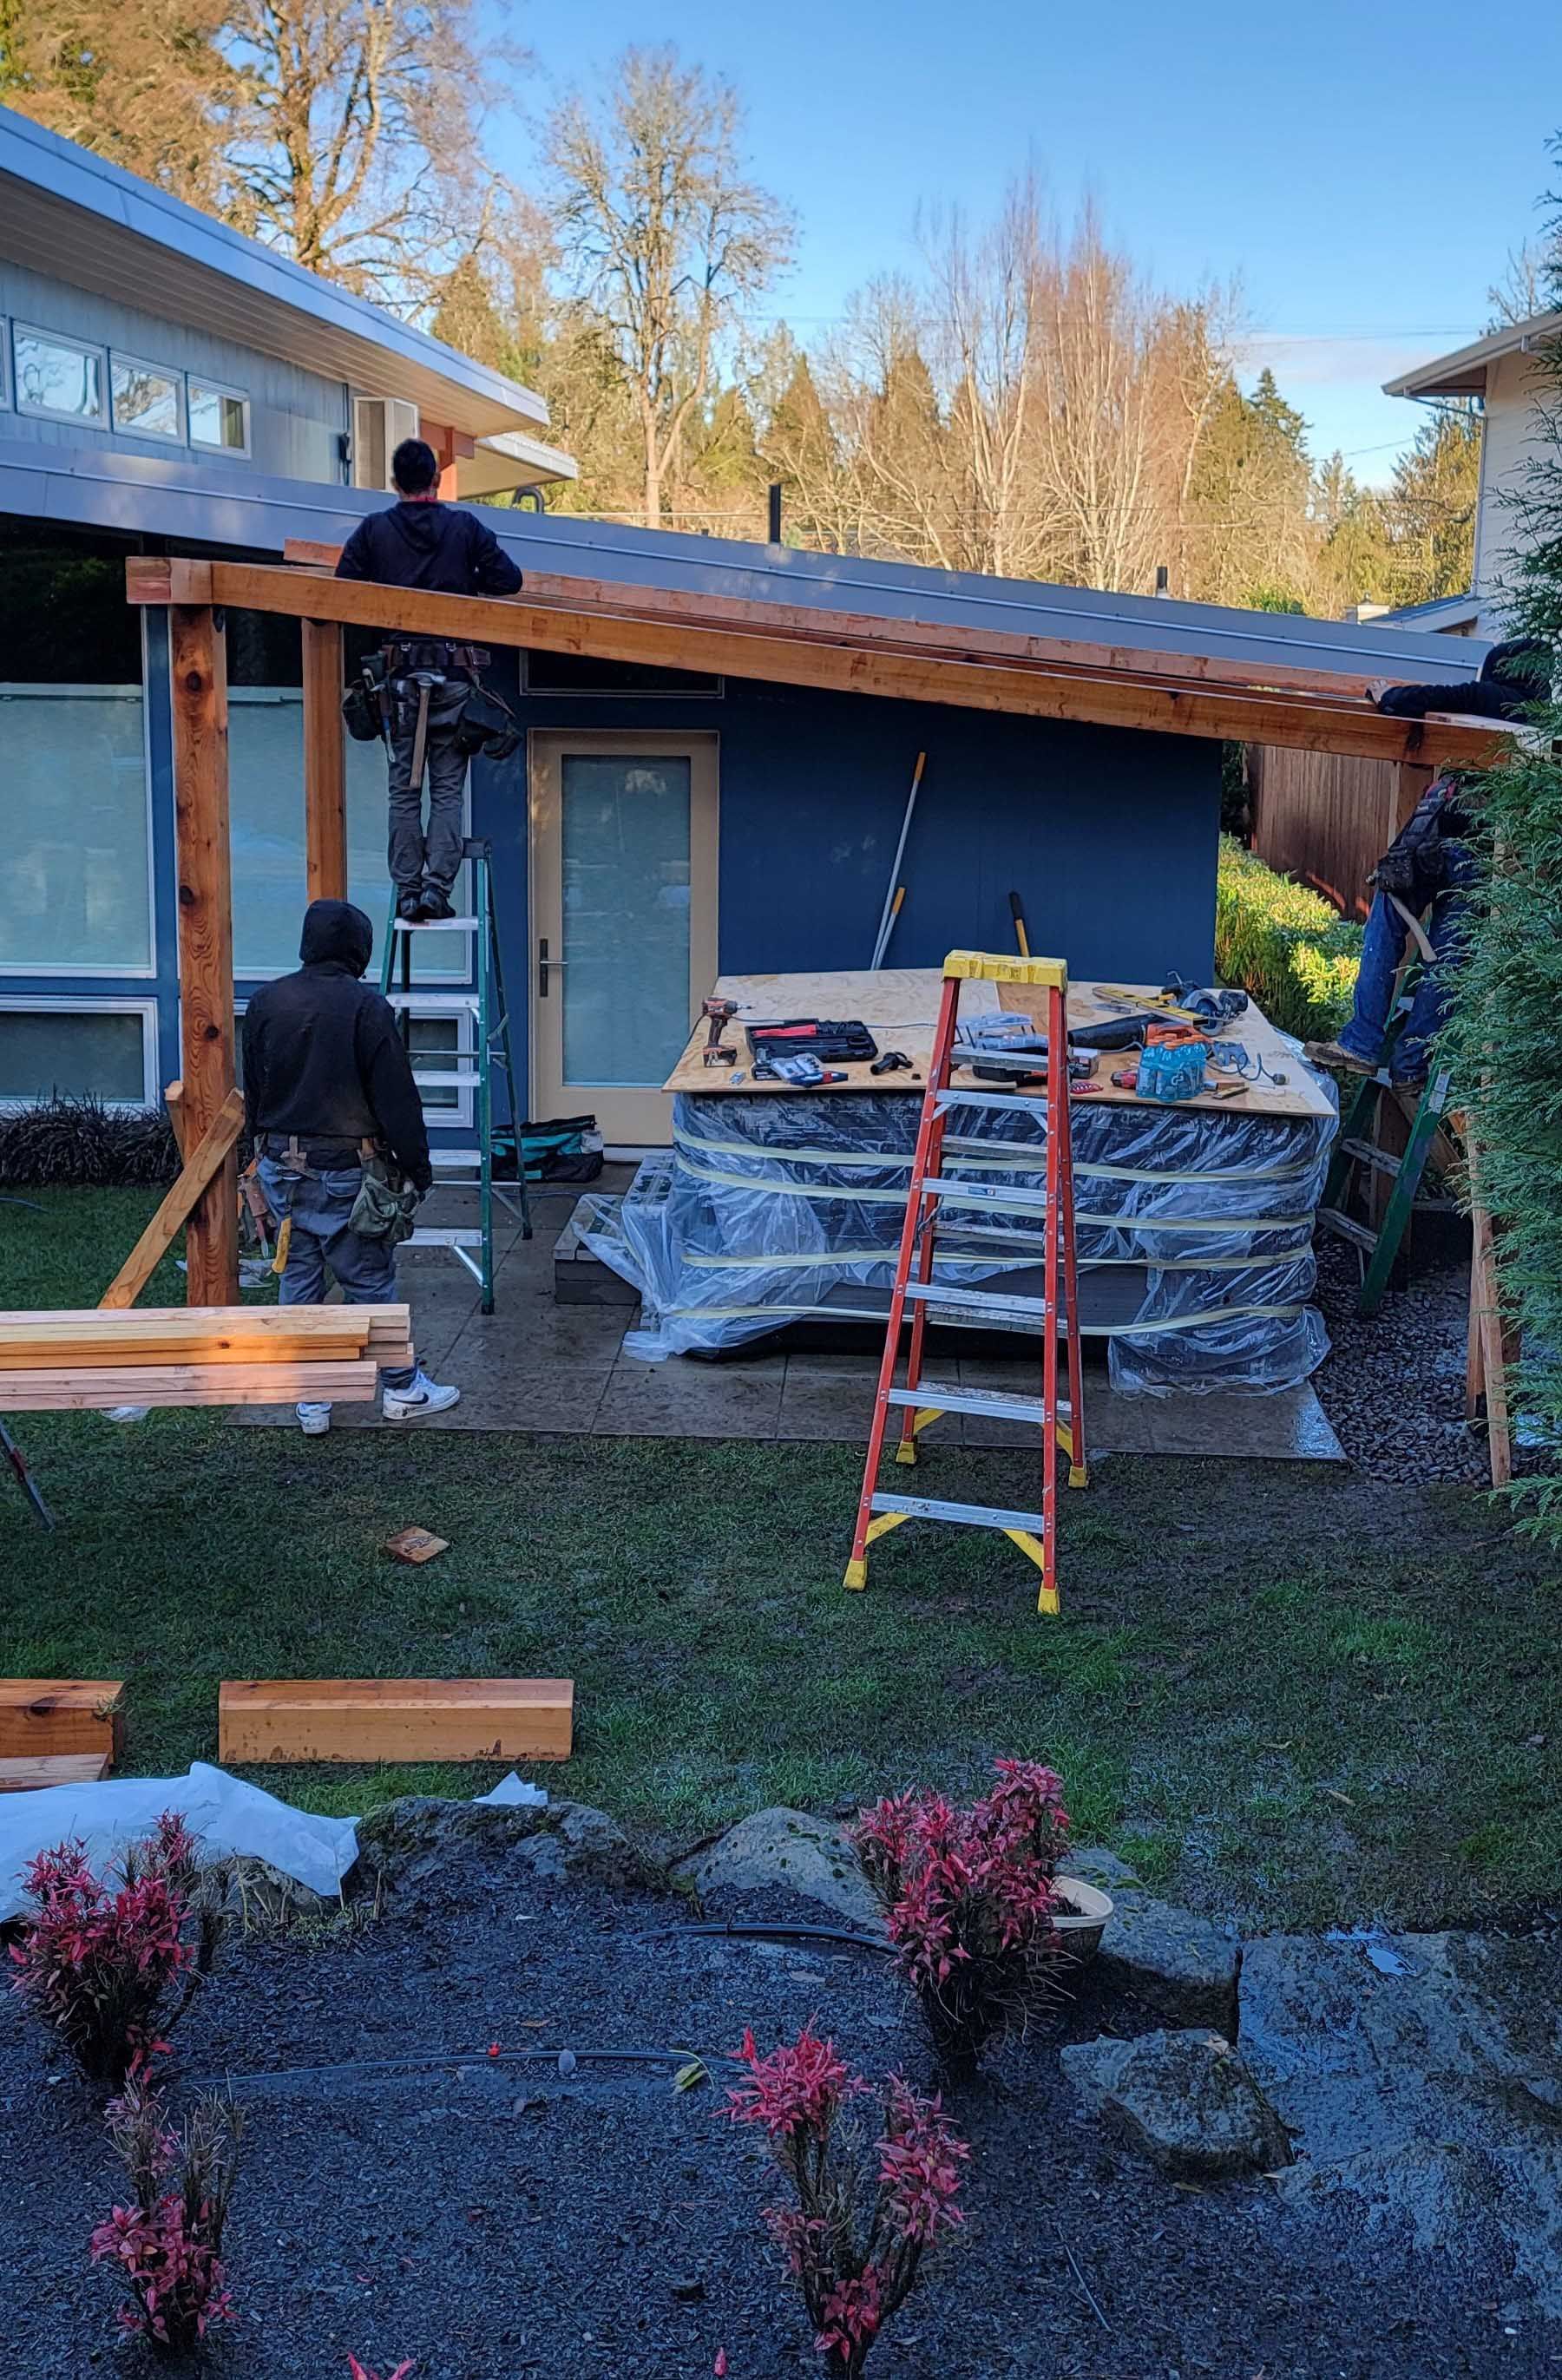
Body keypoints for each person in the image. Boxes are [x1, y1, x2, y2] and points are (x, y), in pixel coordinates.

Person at [244, 898, 459, 1435]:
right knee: (368, 1277)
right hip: (343, 1170)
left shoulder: (267, 1001)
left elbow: (254, 1085)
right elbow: (396, 1099)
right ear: (358, 950)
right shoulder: (366, 1008)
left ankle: (312, 1399)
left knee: (299, 1278)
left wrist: (257, 1153)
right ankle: (403, 1388)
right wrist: (418, 1167)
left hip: (279, 1164)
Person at [336, 436, 522, 925]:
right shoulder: (464, 528)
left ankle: (407, 892)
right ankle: (436, 890)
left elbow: (342, 589)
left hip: (400, 684)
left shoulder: (375, 531)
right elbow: (509, 580)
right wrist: (463, 584)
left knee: (404, 790)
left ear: (395, 482)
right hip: (453, 679)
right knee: (446, 790)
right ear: (436, 481)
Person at [1303, 776, 1478, 1089]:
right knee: (1447, 962)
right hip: (1475, 846)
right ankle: (1409, 1065)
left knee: (1387, 926)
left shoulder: (1458, 764)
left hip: (1434, 836)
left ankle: (1361, 1043)